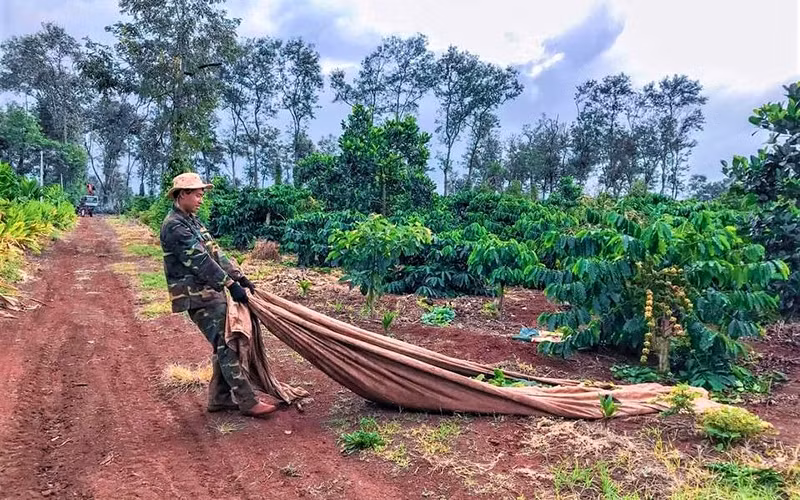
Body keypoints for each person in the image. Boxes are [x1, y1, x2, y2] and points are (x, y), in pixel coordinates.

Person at [160, 172, 276, 418]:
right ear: (183, 195)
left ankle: (219, 398)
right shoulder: (173, 226)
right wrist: (229, 283)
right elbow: (200, 261)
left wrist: (238, 276)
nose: (201, 199)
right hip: (196, 295)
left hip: (210, 291)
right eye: (198, 194)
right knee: (227, 343)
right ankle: (247, 401)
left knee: (223, 342)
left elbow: (215, 251)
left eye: (202, 194)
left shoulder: (191, 220)